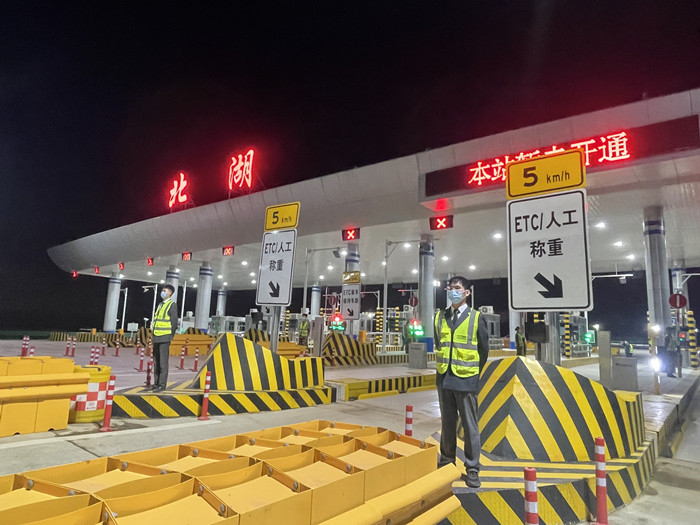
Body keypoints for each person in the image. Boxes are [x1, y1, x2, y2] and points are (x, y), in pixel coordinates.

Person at [434, 276, 489, 488]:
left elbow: (483, 350)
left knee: (469, 426)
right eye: (450, 288)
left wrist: (472, 372)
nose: (453, 291)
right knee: (447, 424)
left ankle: (472, 469)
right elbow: (440, 343)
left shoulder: (476, 318)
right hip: (444, 378)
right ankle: (447, 462)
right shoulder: (440, 316)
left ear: (467, 293)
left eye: (457, 288)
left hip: (466, 379)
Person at [150, 284, 178, 392]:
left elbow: (174, 323)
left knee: (163, 363)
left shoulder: (172, 305)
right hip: (156, 336)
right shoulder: (160, 305)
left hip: (164, 337)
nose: (162, 292)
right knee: (156, 362)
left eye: (165, 290)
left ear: (170, 293)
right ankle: (156, 383)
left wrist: (170, 337)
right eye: (162, 290)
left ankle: (162, 385)